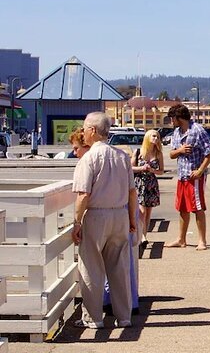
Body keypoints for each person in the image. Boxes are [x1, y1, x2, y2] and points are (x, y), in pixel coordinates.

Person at [72, 112, 137, 329]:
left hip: (97, 215)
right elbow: (131, 192)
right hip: (119, 213)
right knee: (119, 268)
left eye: (84, 128)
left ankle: (94, 317)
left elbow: (83, 194)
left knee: (91, 267)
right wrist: (132, 219)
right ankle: (124, 316)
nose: (83, 132)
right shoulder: (121, 157)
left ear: (92, 130)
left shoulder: (88, 159)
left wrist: (77, 222)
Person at [167, 105, 210, 251]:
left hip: (194, 176)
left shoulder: (197, 130)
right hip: (182, 175)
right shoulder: (176, 132)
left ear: (178, 118)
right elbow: (171, 154)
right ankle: (181, 239)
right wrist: (180, 150)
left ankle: (202, 241)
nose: (171, 122)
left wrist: (201, 170)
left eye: (172, 118)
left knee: (197, 207)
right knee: (182, 207)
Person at [131, 129, 164, 246]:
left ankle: (144, 236)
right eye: (154, 136)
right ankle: (140, 236)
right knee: (142, 211)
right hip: (139, 183)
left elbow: (161, 171)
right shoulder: (138, 152)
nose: (156, 139)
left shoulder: (158, 153)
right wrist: (141, 168)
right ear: (148, 137)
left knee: (148, 213)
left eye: (158, 137)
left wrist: (152, 170)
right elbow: (130, 168)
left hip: (151, 184)